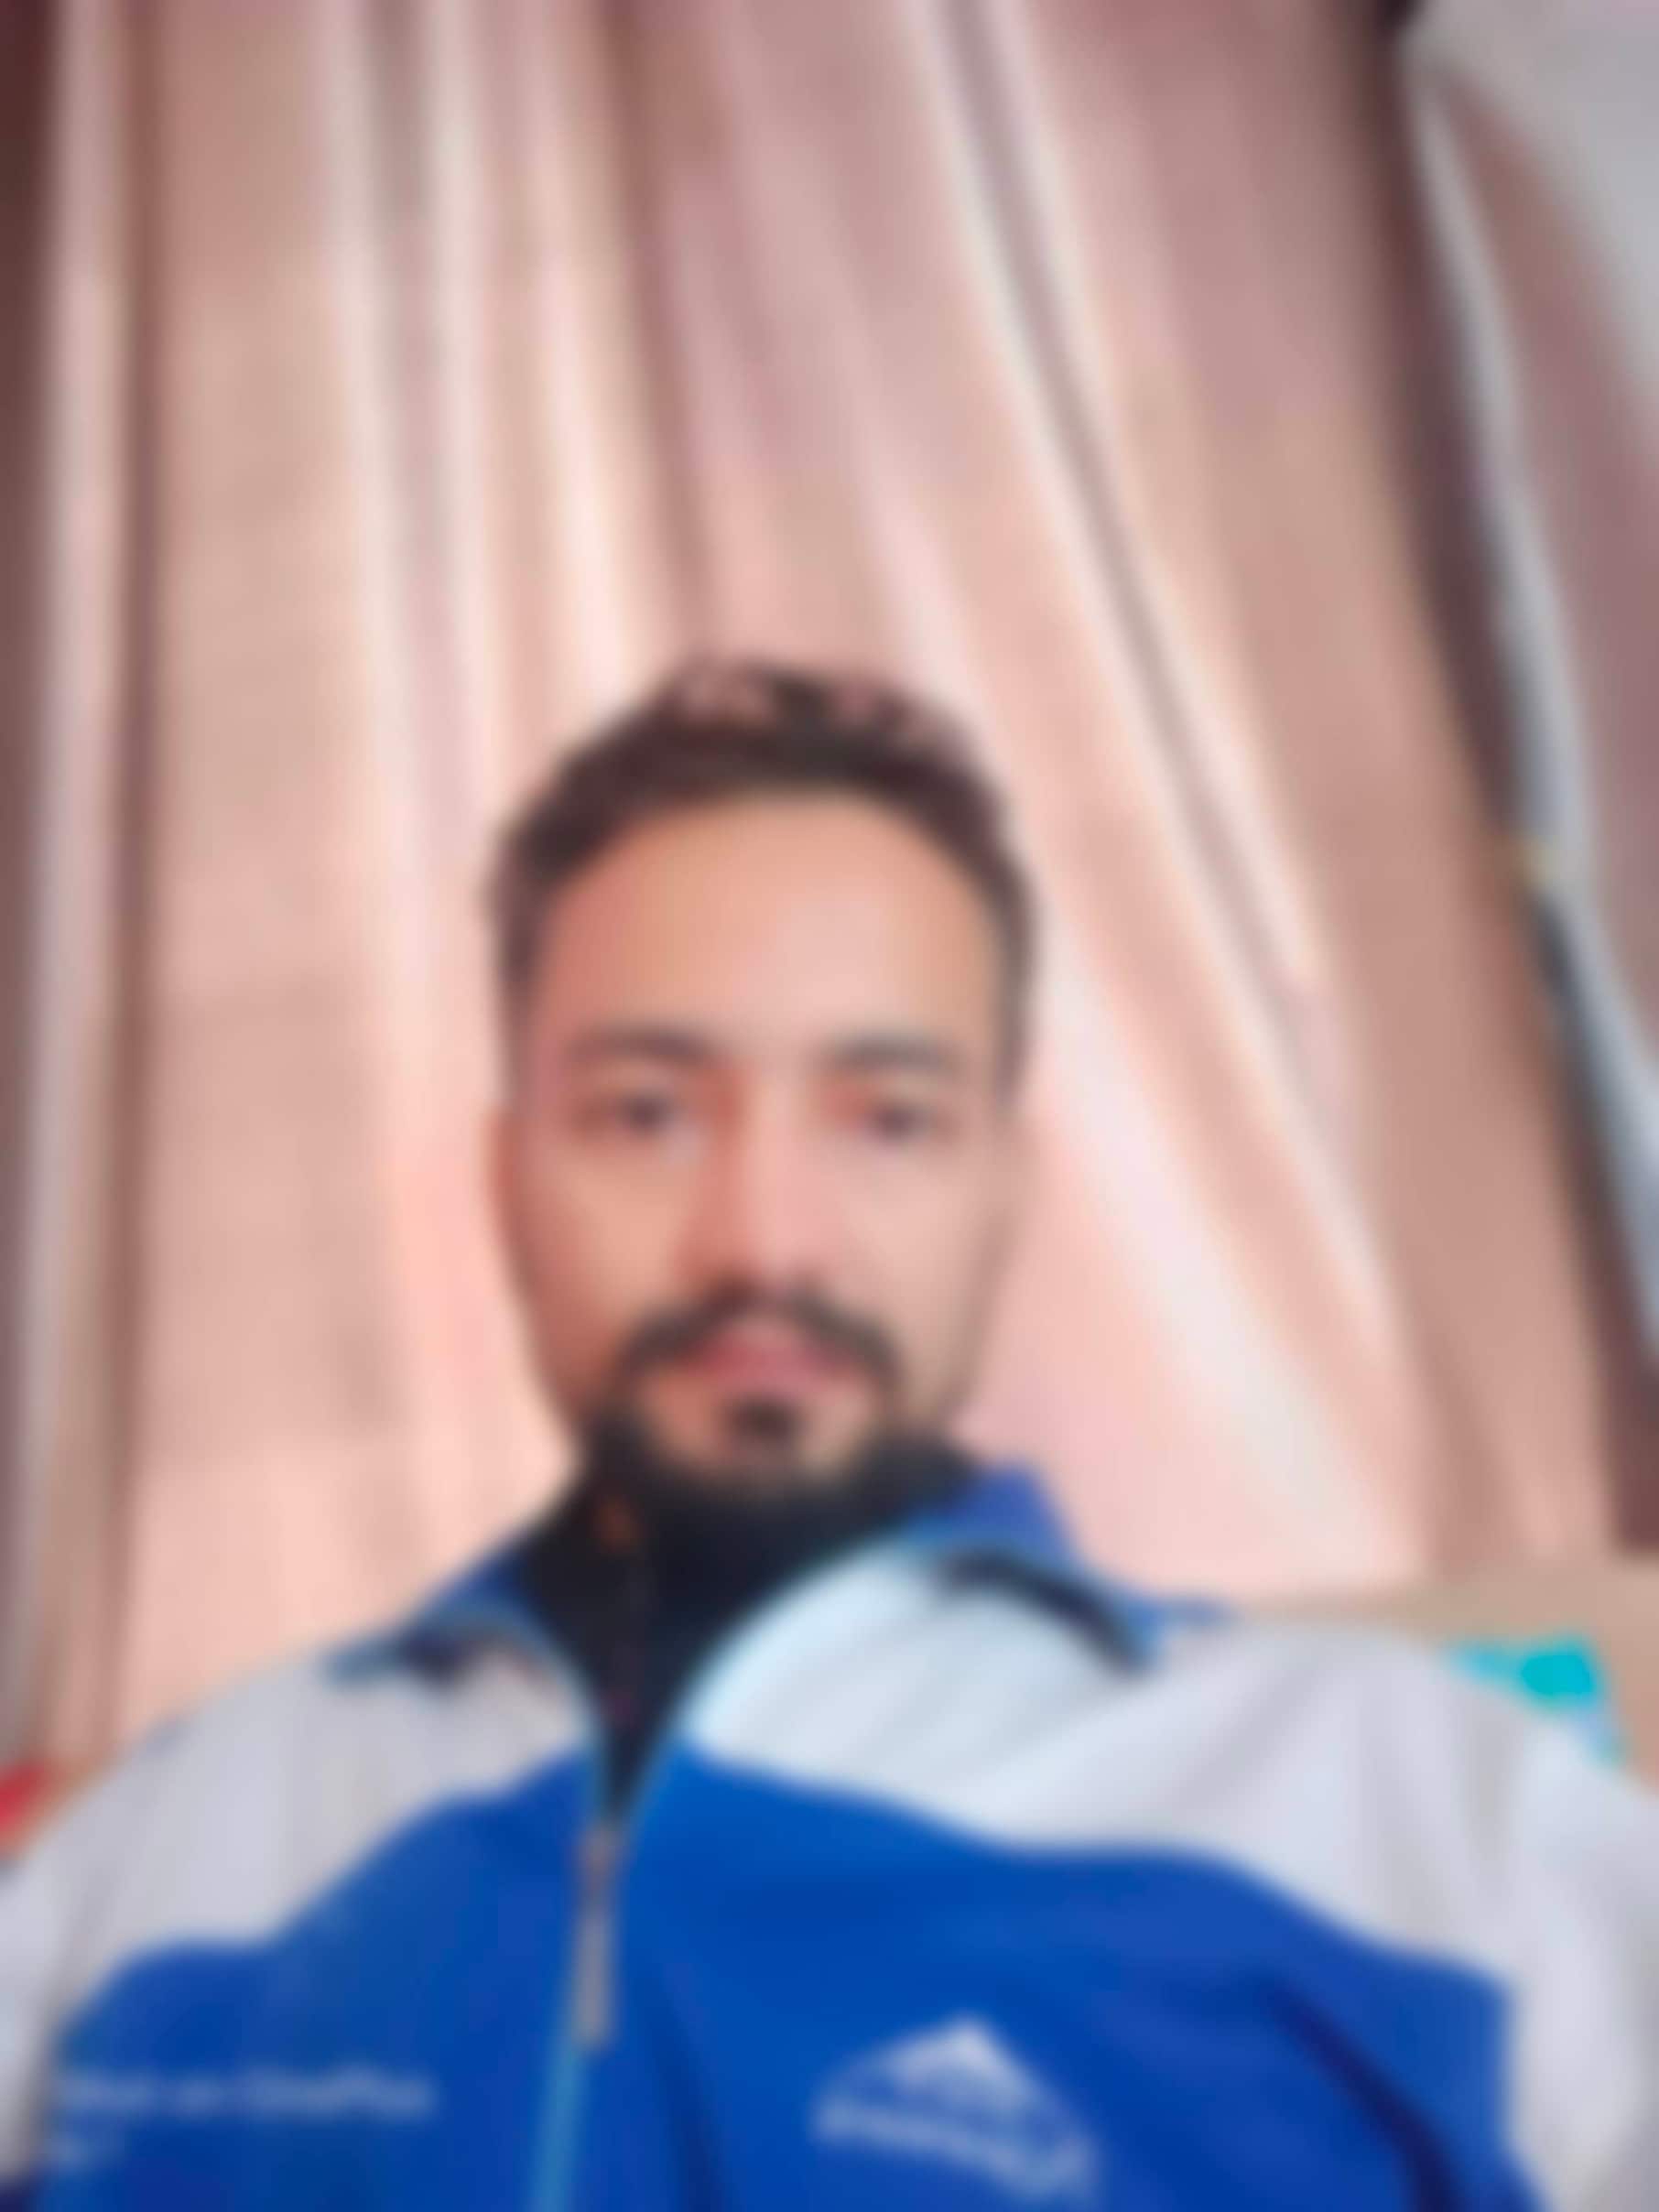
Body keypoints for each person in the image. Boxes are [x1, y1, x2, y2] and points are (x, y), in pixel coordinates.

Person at [2, 657, 1656, 2210]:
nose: (766, 1242)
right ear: (505, 1183)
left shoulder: (1433, 1823)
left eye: (889, 1120)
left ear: (1003, 1186)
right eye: (646, 1113)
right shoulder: (161, 1843)